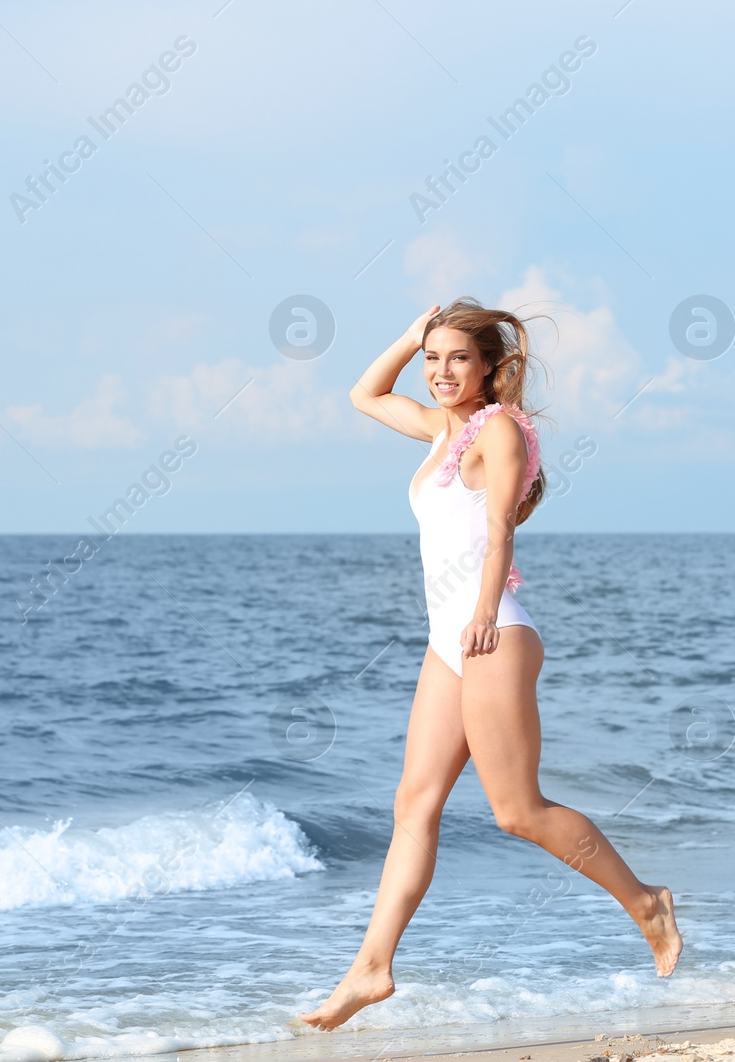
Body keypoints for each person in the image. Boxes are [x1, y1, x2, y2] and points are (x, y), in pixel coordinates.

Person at [300, 298, 682, 1032]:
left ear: (489, 366)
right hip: (450, 638)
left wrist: (480, 612)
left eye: (457, 358)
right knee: (413, 805)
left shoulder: (501, 430)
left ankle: (646, 902)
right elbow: (363, 394)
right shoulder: (442, 430)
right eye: (432, 360)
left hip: (493, 630)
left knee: (516, 810)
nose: (441, 373)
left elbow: (500, 526)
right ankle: (372, 968)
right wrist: (410, 334)